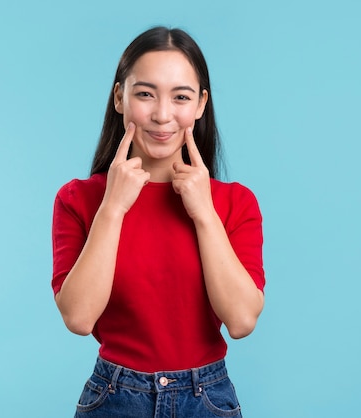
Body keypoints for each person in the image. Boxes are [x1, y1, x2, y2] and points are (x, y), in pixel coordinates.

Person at [51, 26, 265, 418]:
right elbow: (79, 318)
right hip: (114, 396)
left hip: (207, 399)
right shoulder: (78, 199)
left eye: (180, 97)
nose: (162, 115)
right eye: (145, 94)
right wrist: (112, 208)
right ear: (120, 97)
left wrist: (203, 212)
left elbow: (241, 319)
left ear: (200, 104)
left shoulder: (235, 202)